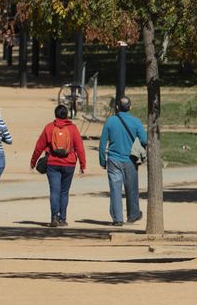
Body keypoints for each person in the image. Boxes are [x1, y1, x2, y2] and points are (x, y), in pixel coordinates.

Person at [30, 104, 86, 227]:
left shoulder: (49, 128)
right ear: (67, 115)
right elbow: (80, 148)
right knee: (64, 192)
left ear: (55, 115)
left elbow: (39, 147)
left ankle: (54, 217)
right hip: (69, 163)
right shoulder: (73, 129)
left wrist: (33, 162)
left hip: (53, 163)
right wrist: (82, 165)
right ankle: (63, 218)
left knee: (54, 191)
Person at [98, 95, 149, 226]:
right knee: (131, 188)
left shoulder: (110, 121)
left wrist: (103, 160)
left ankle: (117, 219)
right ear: (130, 107)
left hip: (114, 159)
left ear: (116, 107)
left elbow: (103, 143)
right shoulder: (136, 121)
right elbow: (144, 140)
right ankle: (133, 215)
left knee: (115, 190)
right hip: (130, 159)